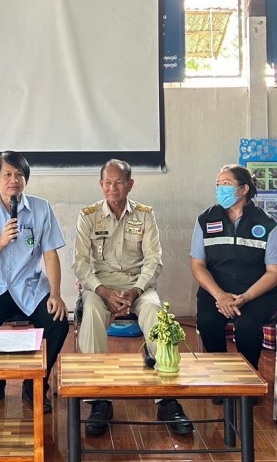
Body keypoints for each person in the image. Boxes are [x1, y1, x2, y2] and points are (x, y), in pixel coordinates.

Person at [73, 159, 193, 436]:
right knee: (90, 313)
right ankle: (99, 398)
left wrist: (136, 290)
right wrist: (101, 289)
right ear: (100, 184)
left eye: (118, 182)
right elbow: (80, 262)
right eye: (107, 182)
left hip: (138, 285)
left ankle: (167, 399)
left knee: (155, 313)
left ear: (130, 184)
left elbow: (154, 260)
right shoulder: (88, 215)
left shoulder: (145, 215)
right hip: (100, 285)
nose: (112, 188)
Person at [0, 151, 69, 414]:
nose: (14, 180)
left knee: (57, 321)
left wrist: (55, 293)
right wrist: (0, 241)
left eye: (20, 174)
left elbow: (50, 254)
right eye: (8, 174)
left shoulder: (41, 208)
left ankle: (35, 385)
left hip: (29, 287)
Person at [190, 164, 277, 375]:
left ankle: (248, 378)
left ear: (244, 189)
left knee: (247, 326)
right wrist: (219, 295)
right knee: (208, 322)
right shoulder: (205, 220)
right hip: (215, 291)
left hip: (255, 293)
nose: (220, 189)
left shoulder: (267, 223)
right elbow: (197, 265)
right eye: (218, 184)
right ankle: (221, 375)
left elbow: (275, 272)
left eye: (226, 184)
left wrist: (246, 297)